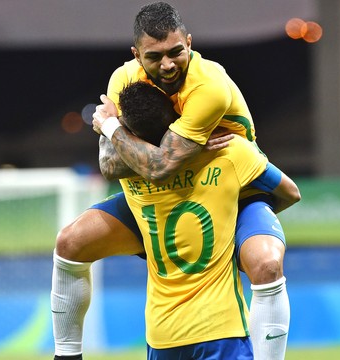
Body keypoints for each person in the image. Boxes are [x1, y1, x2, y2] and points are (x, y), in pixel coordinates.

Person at [52, 3, 294, 359]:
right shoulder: (124, 81)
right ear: (136, 55)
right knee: (71, 242)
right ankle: (66, 355)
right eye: (154, 56)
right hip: (160, 195)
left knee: (265, 263)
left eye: (175, 52)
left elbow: (159, 165)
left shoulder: (209, 86)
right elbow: (109, 164)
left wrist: (113, 128)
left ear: (190, 44)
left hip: (233, 191)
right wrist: (171, 147)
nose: (167, 65)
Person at [110, 81, 299, 358]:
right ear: (176, 116)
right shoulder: (229, 152)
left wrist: (109, 126)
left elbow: (125, 159)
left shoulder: (131, 176)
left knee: (69, 245)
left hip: (163, 335)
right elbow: (291, 192)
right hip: (221, 329)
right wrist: (238, 227)